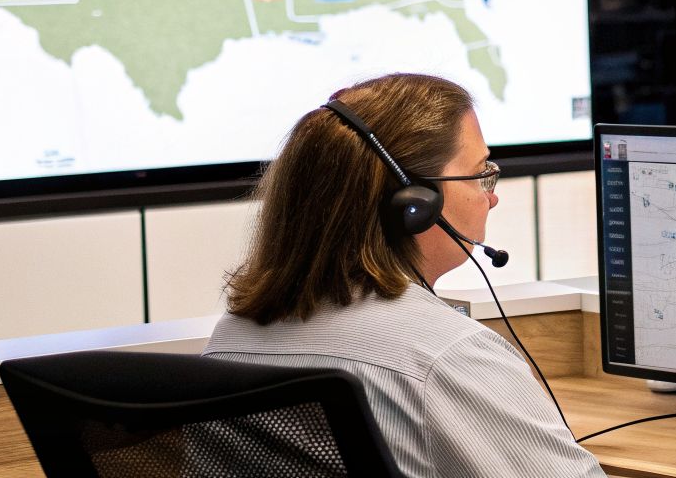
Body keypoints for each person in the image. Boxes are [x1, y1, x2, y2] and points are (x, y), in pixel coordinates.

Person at [205, 73, 603, 478]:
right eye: (480, 173)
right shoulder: (445, 356)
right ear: (415, 204)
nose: (492, 196)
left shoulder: (229, 340)